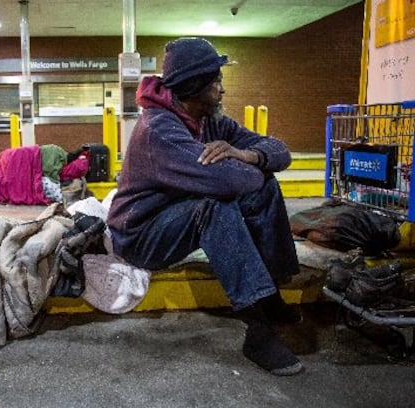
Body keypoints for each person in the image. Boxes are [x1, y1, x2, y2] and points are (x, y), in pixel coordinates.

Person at [106, 37, 304, 376]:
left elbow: (278, 151)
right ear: (194, 86)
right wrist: (248, 167)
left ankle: (270, 293)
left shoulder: (210, 120)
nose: (222, 90)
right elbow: (230, 182)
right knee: (213, 208)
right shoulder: (160, 131)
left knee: (265, 186)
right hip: (141, 234)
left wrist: (248, 154)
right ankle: (256, 328)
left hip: (176, 214)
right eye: (216, 82)